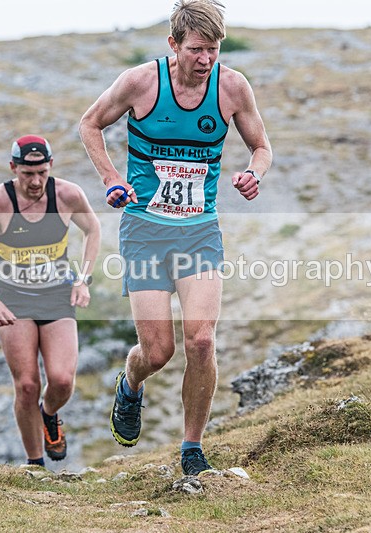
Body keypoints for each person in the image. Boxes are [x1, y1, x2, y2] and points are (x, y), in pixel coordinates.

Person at [79, 0, 272, 476]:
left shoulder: (231, 87)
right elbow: (90, 124)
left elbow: (261, 147)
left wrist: (253, 173)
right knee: (158, 351)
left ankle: (192, 448)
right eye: (196, 49)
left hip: (199, 231)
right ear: (173, 45)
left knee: (202, 341)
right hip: (145, 231)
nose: (206, 59)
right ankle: (131, 383)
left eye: (214, 49)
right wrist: (108, 179)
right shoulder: (141, 82)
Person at [0, 134, 101, 467]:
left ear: (50, 166)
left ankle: (49, 415)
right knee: (26, 385)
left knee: (63, 380)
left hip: (56, 295)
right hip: (13, 299)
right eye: (27, 173)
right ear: (13, 168)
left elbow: (93, 230)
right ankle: (35, 465)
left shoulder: (67, 195)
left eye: (41, 172)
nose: (36, 181)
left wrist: (83, 279)